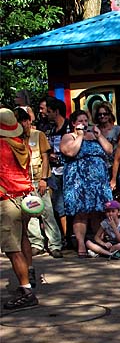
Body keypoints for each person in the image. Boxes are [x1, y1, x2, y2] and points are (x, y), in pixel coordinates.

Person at [60, 109, 113, 257]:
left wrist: (100, 135)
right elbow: (71, 152)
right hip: (79, 181)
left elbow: (109, 150)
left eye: (85, 121)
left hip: (98, 182)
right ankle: (81, 244)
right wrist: (80, 136)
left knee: (98, 212)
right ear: (73, 124)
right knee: (81, 213)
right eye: (80, 121)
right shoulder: (68, 136)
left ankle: (98, 243)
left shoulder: (95, 136)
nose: (84, 124)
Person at [0, 109, 38, 310]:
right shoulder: (22, 145)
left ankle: (26, 291)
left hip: (7, 201)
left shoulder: (1, 146)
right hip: (24, 199)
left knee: (12, 248)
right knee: (24, 237)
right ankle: (29, 273)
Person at [17, 107, 63, 258]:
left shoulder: (38, 135)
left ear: (29, 121)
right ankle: (36, 243)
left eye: (24, 120)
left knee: (47, 212)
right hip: (24, 181)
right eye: (19, 121)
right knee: (29, 212)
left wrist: (44, 179)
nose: (22, 124)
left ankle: (55, 244)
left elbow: (45, 158)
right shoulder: (15, 138)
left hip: (39, 179)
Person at [45, 97, 73, 244]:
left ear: (56, 112)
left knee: (66, 205)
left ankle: (68, 237)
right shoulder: (49, 129)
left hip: (69, 171)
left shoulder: (69, 127)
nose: (46, 114)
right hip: (54, 172)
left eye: (49, 111)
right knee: (57, 205)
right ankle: (64, 237)